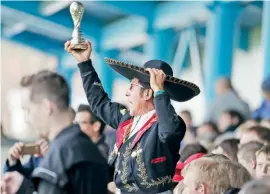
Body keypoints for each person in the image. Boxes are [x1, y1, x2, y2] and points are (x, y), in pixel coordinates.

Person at [65, 40, 200, 193]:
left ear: (148, 93)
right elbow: (99, 103)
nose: (126, 92)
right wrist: (84, 63)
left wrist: (160, 92)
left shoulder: (171, 123)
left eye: (131, 87)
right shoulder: (127, 119)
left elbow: (168, 131)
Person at [1, 70, 108, 194]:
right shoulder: (90, 149)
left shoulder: (57, 159)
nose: (27, 119)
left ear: (47, 107)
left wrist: (23, 189)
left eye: (28, 110)